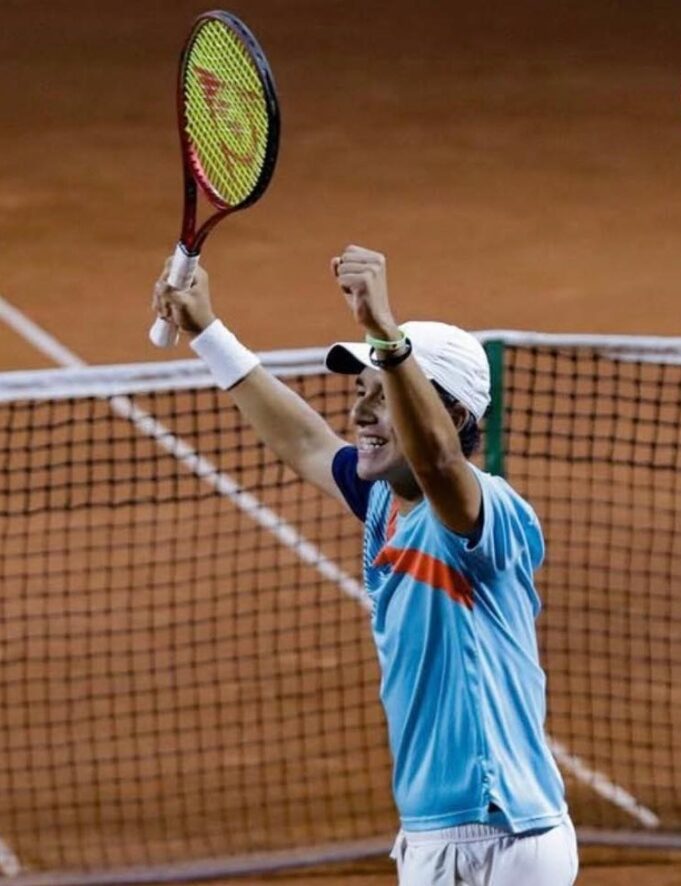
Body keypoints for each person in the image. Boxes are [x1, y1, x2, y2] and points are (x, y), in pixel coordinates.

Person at [153, 244, 579, 886]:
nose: (360, 413)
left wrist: (386, 333)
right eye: (361, 390)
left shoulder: (482, 514)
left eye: (386, 396)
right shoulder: (385, 500)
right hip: (439, 834)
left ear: (454, 415)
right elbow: (304, 442)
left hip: (496, 835)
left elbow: (439, 463)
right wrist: (208, 332)